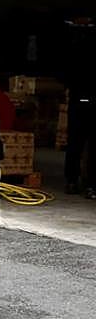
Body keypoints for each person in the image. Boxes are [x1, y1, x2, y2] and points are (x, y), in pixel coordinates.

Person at [62, 19, 96, 199]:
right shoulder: (78, 49)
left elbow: (66, 75)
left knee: (75, 142)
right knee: (89, 145)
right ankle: (90, 184)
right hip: (87, 98)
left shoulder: (75, 47)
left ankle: (72, 181)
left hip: (79, 99)